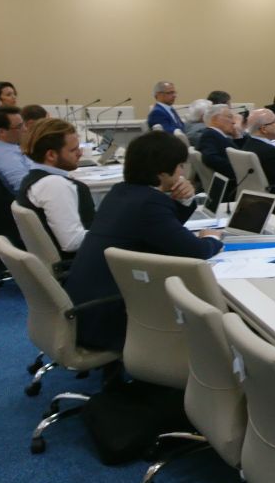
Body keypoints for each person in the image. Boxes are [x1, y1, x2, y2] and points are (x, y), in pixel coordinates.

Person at [64, 131, 222, 351]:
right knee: (209, 305)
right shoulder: (149, 204)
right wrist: (212, 238)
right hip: (111, 316)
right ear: (162, 173)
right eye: (180, 166)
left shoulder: (121, 192)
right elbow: (196, 251)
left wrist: (185, 200)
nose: (183, 173)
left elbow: (163, 231)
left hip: (87, 307)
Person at [17, 118, 94, 255]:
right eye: (73, 150)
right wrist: (112, 232)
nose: (80, 153)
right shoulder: (54, 185)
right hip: (84, 260)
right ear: (51, 155)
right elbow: (72, 242)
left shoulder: (33, 177)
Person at [0, 105, 35, 192]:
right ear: (1, 132)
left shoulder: (0, 146)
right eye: (19, 126)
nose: (25, 129)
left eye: (23, 124)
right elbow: (25, 187)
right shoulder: (4, 156)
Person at [198, 104, 244, 183]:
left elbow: (239, 151)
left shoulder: (216, 134)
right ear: (215, 119)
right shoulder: (209, 134)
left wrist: (237, 136)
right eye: (229, 117)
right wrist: (237, 170)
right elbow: (210, 158)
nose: (233, 122)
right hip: (232, 182)